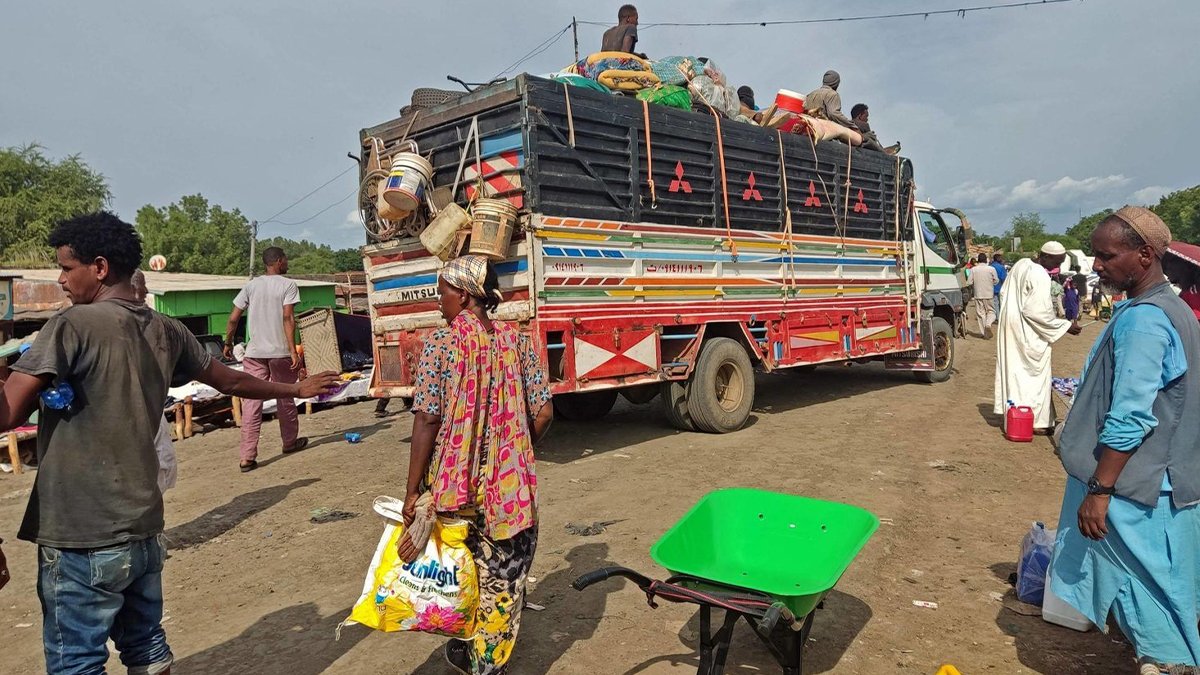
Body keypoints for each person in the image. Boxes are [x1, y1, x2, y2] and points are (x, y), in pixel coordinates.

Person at [0, 212, 337, 675]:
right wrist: (294, 390)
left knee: (76, 661)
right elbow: (229, 380)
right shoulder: (166, 329)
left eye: (66, 267)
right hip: (142, 526)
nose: (60, 280)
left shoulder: (72, 325)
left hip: (81, 534)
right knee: (147, 650)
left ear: (99, 268)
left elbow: (7, 414)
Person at [1050, 207, 1200, 674]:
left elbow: (1131, 416)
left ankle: (1172, 664)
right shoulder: (1172, 310)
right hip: (1167, 482)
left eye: (1105, 256)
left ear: (1144, 256)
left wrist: (1100, 490)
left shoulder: (1145, 321)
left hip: (1137, 486)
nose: (1096, 265)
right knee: (1169, 584)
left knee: (1144, 590)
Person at [402, 255, 553, 674]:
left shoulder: (441, 345)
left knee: (458, 575)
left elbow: (427, 418)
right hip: (508, 492)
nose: (438, 302)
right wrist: (514, 451)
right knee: (501, 582)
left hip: (455, 492)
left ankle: (466, 650)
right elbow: (543, 412)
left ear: (464, 295)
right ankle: (488, 663)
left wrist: (413, 490)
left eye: (442, 293)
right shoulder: (519, 342)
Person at [223, 246, 307, 472]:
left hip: (255, 353)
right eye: (286, 259)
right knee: (286, 397)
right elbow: (288, 317)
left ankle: (247, 457)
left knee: (251, 402)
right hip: (279, 352)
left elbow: (233, 319)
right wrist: (292, 350)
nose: (286, 263)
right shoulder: (288, 285)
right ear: (279, 261)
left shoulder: (251, 286)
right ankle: (289, 442)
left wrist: (228, 342)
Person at [993, 241, 1082, 433]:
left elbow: (1004, 293)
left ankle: (1015, 415)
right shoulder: (1040, 274)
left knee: (1016, 373)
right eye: (1057, 262)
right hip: (1028, 332)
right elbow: (1036, 312)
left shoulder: (1021, 264)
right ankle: (1037, 421)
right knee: (1035, 377)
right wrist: (1066, 326)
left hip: (1013, 326)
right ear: (1046, 257)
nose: (1057, 267)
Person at [133, 269, 179, 492]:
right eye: (143, 286)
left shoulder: (151, 322)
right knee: (156, 467)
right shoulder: (150, 323)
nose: (146, 291)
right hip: (141, 409)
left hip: (148, 405)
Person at [1163, 249, 1200, 321]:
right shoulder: (1185, 293)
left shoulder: (1193, 293)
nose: (1167, 272)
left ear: (1184, 269)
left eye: (1170, 268)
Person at [971, 253, 1000, 338]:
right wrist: (990, 284)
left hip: (978, 294)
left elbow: (969, 282)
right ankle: (988, 324)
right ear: (986, 260)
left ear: (978, 260)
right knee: (992, 312)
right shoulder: (991, 269)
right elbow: (996, 280)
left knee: (981, 314)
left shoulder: (973, 269)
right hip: (989, 294)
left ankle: (985, 334)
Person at [990, 252, 1008, 319]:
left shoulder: (990, 267)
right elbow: (1004, 278)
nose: (1001, 259)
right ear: (998, 259)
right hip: (1000, 287)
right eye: (1000, 258)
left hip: (991, 288)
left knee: (995, 303)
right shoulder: (1001, 267)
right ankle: (1001, 317)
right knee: (1001, 303)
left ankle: (997, 317)